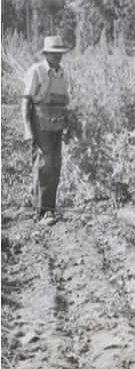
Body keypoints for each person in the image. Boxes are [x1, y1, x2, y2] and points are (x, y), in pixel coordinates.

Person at [22, 35, 72, 226]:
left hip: (57, 122)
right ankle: (41, 211)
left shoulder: (63, 73)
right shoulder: (37, 71)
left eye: (60, 54)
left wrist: (68, 124)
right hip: (40, 121)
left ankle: (49, 207)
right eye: (54, 53)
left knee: (56, 163)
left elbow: (65, 100)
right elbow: (26, 101)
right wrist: (28, 128)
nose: (58, 57)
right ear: (46, 54)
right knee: (44, 163)